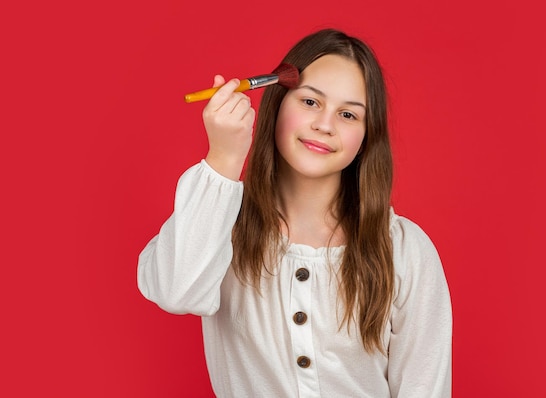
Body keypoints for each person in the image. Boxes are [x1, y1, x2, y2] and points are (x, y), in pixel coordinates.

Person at [138, 28, 452, 397]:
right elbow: (176, 292)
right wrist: (224, 158)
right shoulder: (223, 229)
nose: (325, 124)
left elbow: (425, 387)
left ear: (367, 137)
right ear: (277, 103)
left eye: (349, 114)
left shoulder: (404, 249)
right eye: (310, 102)